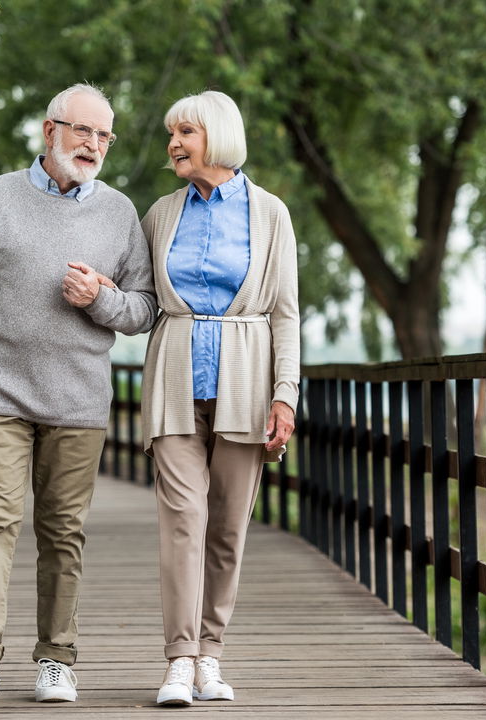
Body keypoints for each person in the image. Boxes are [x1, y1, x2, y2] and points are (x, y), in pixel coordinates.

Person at [0, 83, 157, 704]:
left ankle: (56, 658)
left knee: (62, 533)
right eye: (83, 131)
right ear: (49, 131)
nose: (93, 145)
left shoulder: (118, 212)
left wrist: (101, 300)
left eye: (104, 136)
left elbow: (143, 309)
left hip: (79, 403)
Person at [139, 90, 300, 706]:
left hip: (247, 385)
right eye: (171, 133)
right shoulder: (159, 213)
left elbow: (285, 315)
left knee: (228, 529)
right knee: (183, 521)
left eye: (186, 132)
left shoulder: (271, 214)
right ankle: (179, 659)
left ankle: (212, 655)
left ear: (218, 136)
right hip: (174, 383)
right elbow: (140, 299)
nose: (174, 143)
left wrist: (284, 396)